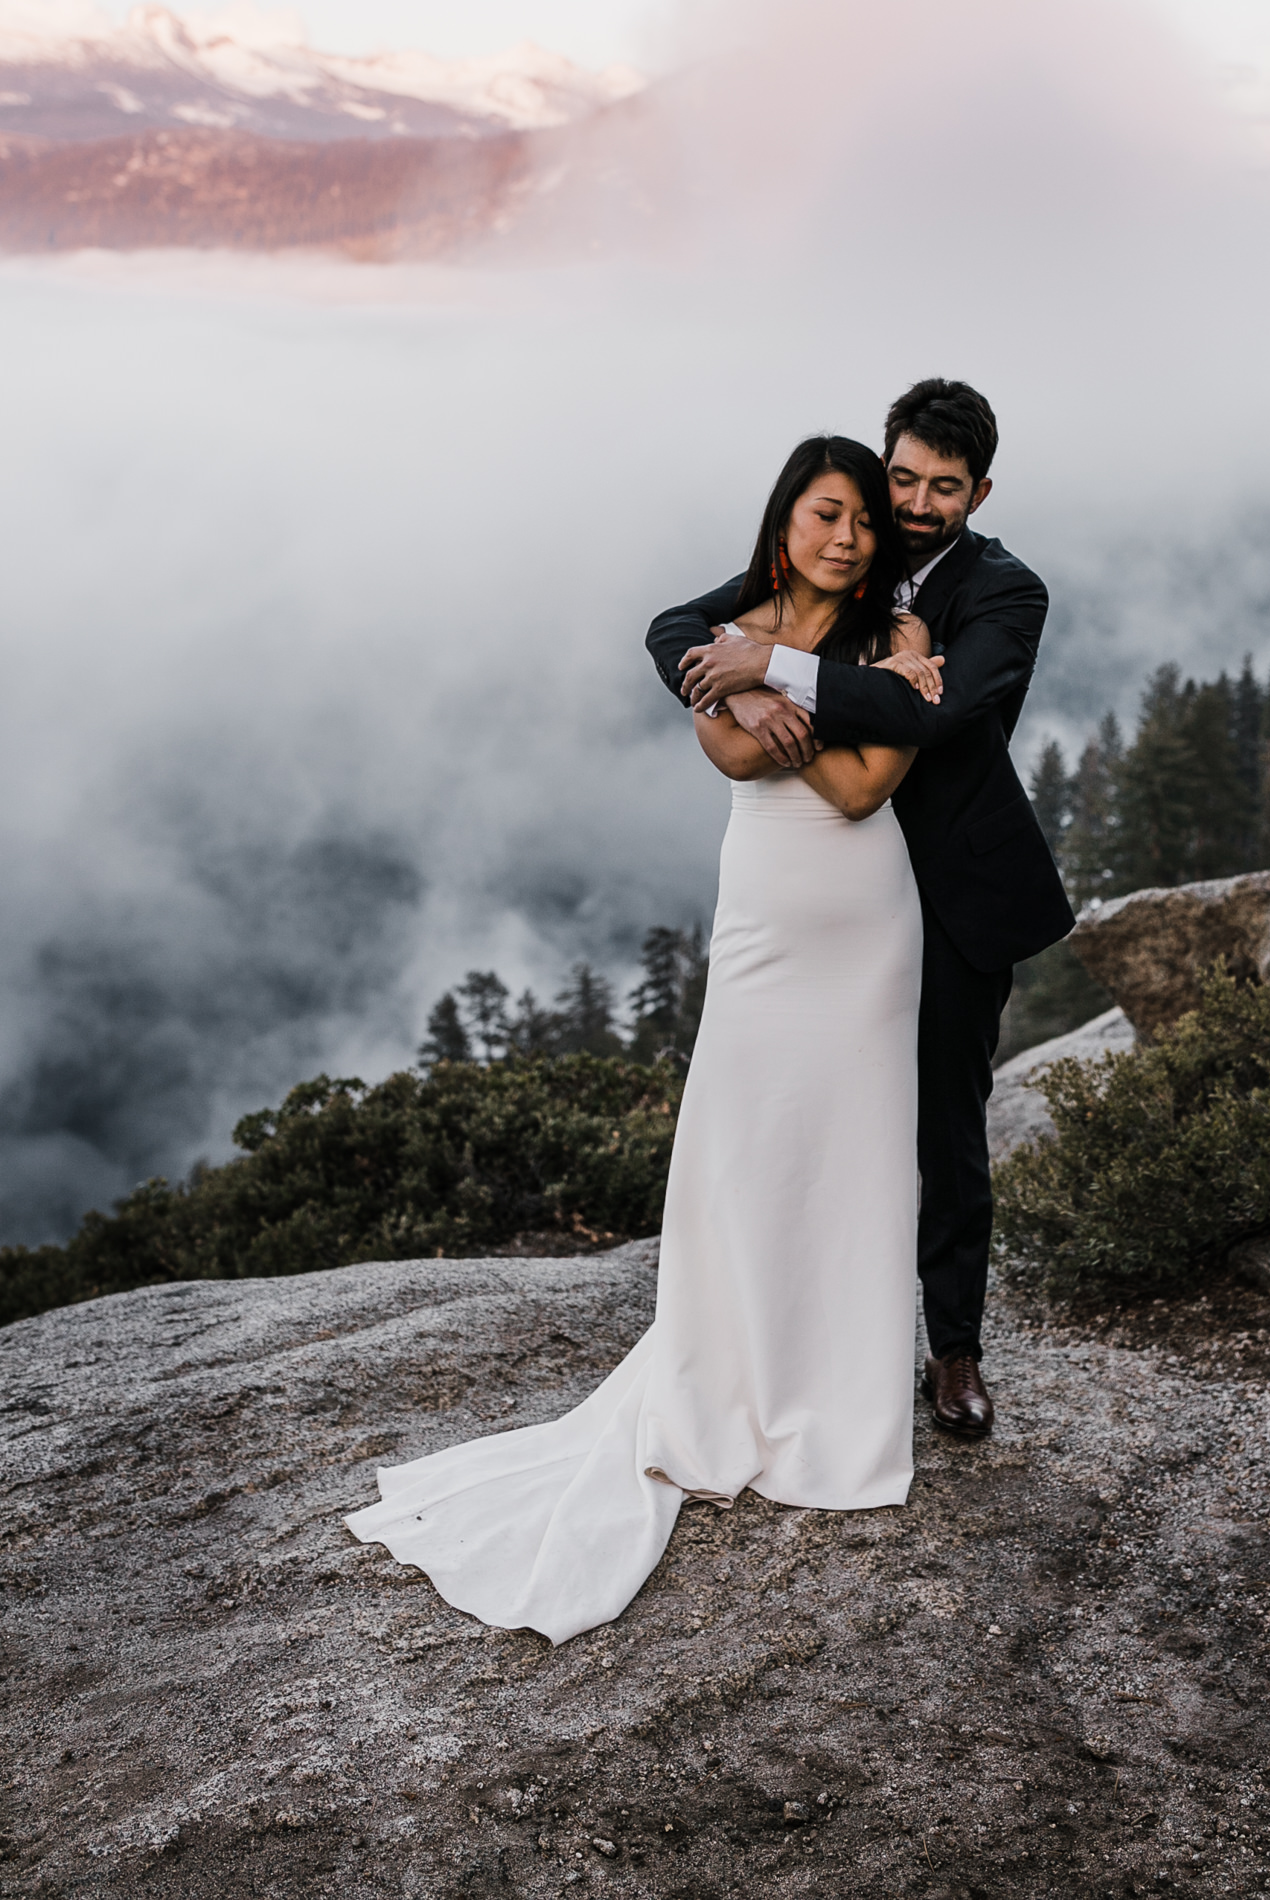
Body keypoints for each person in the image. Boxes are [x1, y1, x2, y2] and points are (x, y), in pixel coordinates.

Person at [345, 435, 943, 1646]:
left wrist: (782, 692)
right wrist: (772, 696)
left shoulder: (883, 638)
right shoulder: (726, 627)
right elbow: (730, 747)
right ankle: (737, 1374)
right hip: (767, 914)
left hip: (869, 919)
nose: (848, 537)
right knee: (746, 1138)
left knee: (860, 1148)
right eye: (827, 514)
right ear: (785, 521)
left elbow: (865, 789)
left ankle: (840, 1399)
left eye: (866, 524)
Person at [649, 379, 1073, 1443]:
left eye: (943, 488)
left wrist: (769, 665)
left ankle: (955, 1353)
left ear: (980, 489)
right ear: (883, 464)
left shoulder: (1005, 592)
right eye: (902, 479)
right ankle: (816, 1334)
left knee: (944, 1122)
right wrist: (730, 686)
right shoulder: (850, 550)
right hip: (829, 894)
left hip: (953, 889)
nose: (916, 505)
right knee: (821, 1112)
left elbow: (926, 711)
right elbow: (674, 625)